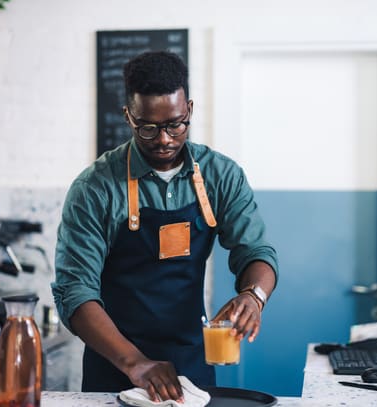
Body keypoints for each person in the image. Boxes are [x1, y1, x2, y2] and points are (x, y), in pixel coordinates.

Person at [51, 51, 278, 402]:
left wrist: (254, 295)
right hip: (115, 365)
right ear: (128, 117)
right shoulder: (95, 187)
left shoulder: (220, 175)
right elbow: (74, 292)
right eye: (148, 127)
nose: (164, 139)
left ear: (188, 109)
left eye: (176, 124)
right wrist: (136, 364)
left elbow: (256, 252)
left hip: (193, 362)